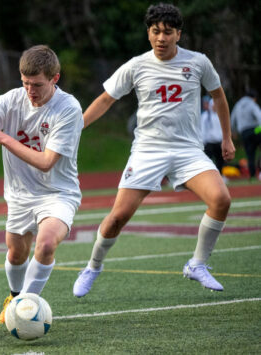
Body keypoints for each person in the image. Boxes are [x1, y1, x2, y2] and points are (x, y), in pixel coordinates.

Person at [72, 3, 235, 298]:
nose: (161, 38)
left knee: (221, 199)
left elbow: (219, 96)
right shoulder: (136, 66)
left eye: (168, 32)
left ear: (178, 35)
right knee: (118, 217)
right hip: (148, 151)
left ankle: (197, 264)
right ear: (148, 33)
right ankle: (93, 266)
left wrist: (227, 138)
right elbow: (106, 99)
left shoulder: (198, 62)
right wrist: (77, 127)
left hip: (188, 150)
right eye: (156, 31)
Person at [0, 45, 83, 323]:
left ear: (55, 78)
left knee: (45, 245)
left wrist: (4, 138)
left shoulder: (68, 109)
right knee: (16, 252)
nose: (30, 91)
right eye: (25, 83)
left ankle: (22, 308)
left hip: (58, 192)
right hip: (20, 195)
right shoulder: (11, 99)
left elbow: (46, 162)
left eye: (37, 85)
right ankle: (14, 295)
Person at [231, 89, 261, 180]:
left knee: (250, 154)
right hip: (255, 130)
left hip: (244, 133)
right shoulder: (252, 104)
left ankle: (252, 175)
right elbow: (259, 116)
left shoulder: (238, 105)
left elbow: (232, 119)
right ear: (253, 98)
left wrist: (233, 131)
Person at [201, 95, 225, 175]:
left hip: (219, 142)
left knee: (220, 160)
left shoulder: (220, 116)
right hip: (209, 143)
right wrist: (203, 142)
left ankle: (220, 175)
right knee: (208, 160)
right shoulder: (205, 116)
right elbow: (203, 129)